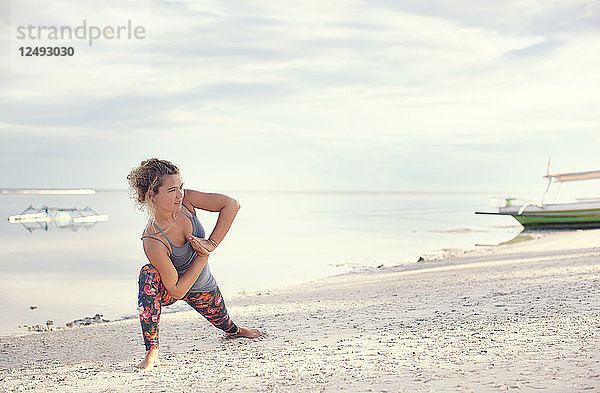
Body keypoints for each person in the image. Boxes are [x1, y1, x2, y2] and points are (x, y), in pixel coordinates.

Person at [127, 158, 261, 370]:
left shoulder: (187, 202)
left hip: (202, 288)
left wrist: (211, 243)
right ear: (152, 195)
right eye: (172, 190)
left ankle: (235, 330)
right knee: (148, 274)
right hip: (173, 288)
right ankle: (152, 351)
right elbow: (178, 291)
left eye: (180, 186)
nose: (180, 194)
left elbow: (231, 205)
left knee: (227, 325)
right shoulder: (153, 239)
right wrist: (203, 256)